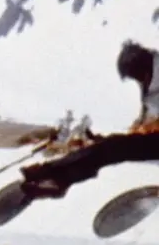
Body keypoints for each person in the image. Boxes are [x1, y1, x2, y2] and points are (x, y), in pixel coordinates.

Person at [21, 41, 159, 198]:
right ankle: (55, 175)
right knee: (109, 146)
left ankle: (55, 175)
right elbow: (149, 117)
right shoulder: (152, 80)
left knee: (112, 148)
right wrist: (137, 130)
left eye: (136, 76)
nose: (138, 81)